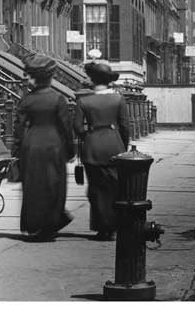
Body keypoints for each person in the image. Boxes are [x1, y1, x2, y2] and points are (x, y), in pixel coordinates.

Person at [13, 54, 74, 242]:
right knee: (54, 184)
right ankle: (52, 222)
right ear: (50, 77)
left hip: (31, 145)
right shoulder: (58, 99)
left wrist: (17, 151)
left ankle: (35, 224)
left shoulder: (26, 100)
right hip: (53, 144)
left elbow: (19, 129)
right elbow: (66, 128)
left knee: (33, 186)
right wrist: (70, 150)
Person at [74, 62, 129, 241]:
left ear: (92, 80)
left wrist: (88, 135)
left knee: (96, 189)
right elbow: (125, 127)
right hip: (114, 145)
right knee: (115, 187)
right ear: (109, 81)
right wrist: (123, 145)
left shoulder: (84, 101)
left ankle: (101, 227)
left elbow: (77, 127)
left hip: (92, 147)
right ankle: (114, 225)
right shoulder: (118, 99)